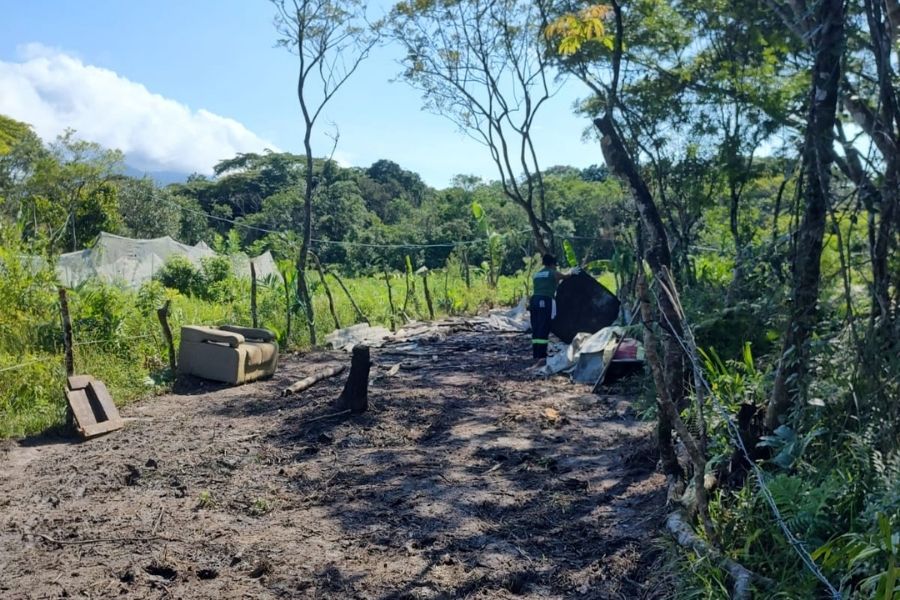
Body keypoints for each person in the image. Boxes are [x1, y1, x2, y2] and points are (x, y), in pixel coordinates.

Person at [529, 254, 579, 365]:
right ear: (552, 264)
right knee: (544, 326)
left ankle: (536, 354)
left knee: (536, 326)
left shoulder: (537, 274)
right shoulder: (552, 273)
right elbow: (565, 276)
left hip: (534, 300)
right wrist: (572, 272)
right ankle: (542, 356)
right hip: (545, 300)